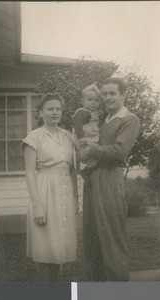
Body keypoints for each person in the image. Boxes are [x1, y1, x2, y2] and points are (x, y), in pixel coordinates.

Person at [82, 78, 140, 281]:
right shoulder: (100, 120)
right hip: (91, 181)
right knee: (92, 241)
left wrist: (91, 150)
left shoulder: (129, 119)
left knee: (112, 241)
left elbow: (119, 152)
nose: (107, 98)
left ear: (123, 95)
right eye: (104, 94)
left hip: (109, 181)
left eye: (112, 93)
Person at [22, 92, 78, 281]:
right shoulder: (34, 137)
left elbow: (73, 168)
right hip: (44, 193)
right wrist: (37, 205)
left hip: (65, 192)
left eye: (58, 109)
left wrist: (76, 199)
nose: (55, 112)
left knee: (61, 247)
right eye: (50, 109)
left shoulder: (68, 137)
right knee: (46, 248)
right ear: (40, 113)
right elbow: (30, 173)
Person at [72, 84, 105, 169]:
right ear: (82, 101)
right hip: (84, 139)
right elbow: (78, 125)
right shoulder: (81, 112)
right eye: (89, 100)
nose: (93, 102)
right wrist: (81, 137)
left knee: (98, 150)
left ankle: (92, 163)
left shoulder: (96, 112)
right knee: (87, 150)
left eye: (96, 100)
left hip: (94, 138)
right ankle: (88, 163)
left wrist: (102, 112)